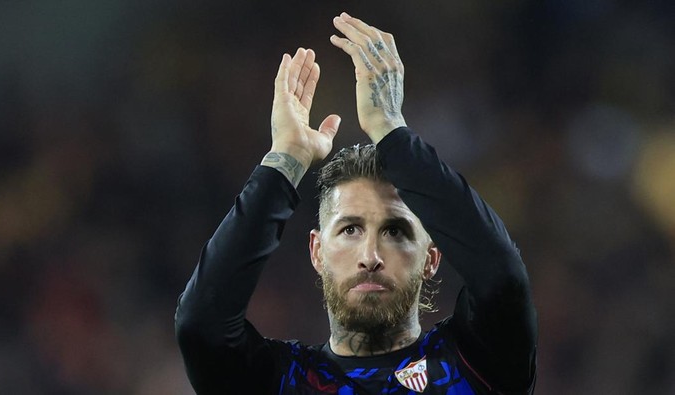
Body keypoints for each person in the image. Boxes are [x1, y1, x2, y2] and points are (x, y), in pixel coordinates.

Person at [175, 12, 537, 395]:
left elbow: (502, 278)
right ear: (317, 251)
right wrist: (286, 160)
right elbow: (201, 323)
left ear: (431, 257)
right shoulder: (278, 383)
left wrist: (392, 132)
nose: (370, 255)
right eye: (350, 229)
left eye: (395, 231)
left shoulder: (476, 363)